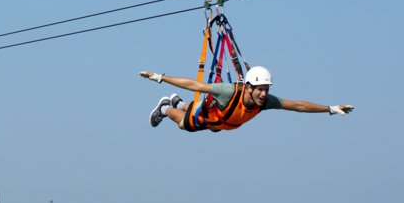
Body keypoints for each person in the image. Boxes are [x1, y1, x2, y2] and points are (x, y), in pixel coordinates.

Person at [138, 66, 352, 132]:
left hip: (222, 122)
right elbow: (196, 85)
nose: (263, 94)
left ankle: (179, 102)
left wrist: (330, 109)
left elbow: (296, 105)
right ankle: (167, 107)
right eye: (259, 90)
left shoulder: (265, 102)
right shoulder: (229, 91)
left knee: (214, 127)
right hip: (211, 115)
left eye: (266, 90)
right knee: (185, 124)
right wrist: (160, 78)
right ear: (248, 87)